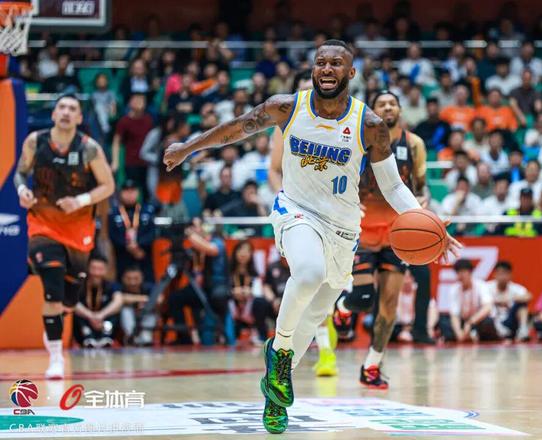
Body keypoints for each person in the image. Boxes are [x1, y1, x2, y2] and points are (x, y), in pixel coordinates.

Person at [163, 39, 461, 433]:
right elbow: (237, 128)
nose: (327, 69)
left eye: (336, 63)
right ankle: (279, 357)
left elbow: (392, 186)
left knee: (317, 312)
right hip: (296, 210)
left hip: (343, 227)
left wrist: (427, 220)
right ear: (313, 69)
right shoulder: (287, 107)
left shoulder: (369, 124)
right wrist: (189, 147)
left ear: (350, 73)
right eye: (321, 62)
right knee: (307, 273)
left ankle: (275, 388)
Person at [333, 90, 432, 389]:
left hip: (397, 235)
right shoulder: (357, 140)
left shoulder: (414, 144)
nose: (388, 107)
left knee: (389, 307)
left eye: (392, 103)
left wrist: (422, 203)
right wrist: (347, 201)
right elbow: (339, 179)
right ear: (372, 111)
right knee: (364, 299)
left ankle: (372, 366)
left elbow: (421, 187)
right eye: (381, 104)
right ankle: (343, 308)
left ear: (400, 109)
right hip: (361, 231)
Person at [14, 94, 115, 378]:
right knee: (52, 288)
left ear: (80, 118)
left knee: (69, 300)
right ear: (54, 114)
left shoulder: (89, 148)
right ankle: (56, 357)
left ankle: (55, 325)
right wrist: (22, 191)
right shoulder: (35, 141)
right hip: (43, 225)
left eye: (72, 108)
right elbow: (20, 173)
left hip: (78, 230)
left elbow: (108, 185)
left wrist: (80, 200)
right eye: (62, 107)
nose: (66, 112)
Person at [266, 73, 340, 378]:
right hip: (299, 214)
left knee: (327, 292)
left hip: (337, 216)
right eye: (304, 90)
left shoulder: (342, 122)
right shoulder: (287, 120)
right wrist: (285, 199)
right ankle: (305, 350)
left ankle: (292, 361)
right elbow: (274, 170)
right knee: (310, 278)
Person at [108, 179, 157, 282]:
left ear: (138, 192)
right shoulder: (114, 212)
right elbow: (112, 234)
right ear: (120, 193)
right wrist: (129, 246)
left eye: (133, 191)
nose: (129, 194)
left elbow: (152, 233)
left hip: (143, 255)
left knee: (147, 283)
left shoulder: (147, 210)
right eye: (126, 191)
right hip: (122, 256)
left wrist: (138, 244)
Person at [439, 259, 498, 342]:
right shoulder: (454, 289)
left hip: (477, 321)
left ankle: (475, 335)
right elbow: (454, 314)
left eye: (463, 272)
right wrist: (458, 332)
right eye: (458, 272)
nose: (461, 275)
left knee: (488, 322)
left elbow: (487, 307)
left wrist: (470, 322)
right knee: (443, 320)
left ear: (470, 272)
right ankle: (465, 336)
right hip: (463, 321)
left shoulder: (481, 285)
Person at [73, 255, 123, 348]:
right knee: (73, 310)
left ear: (106, 270)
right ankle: (88, 336)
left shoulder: (111, 285)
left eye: (100, 269)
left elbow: (118, 301)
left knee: (116, 311)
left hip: (104, 321)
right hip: (85, 322)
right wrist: (90, 316)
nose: (96, 273)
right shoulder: (80, 285)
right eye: (93, 268)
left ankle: (106, 337)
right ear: (87, 269)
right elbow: (73, 302)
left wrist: (101, 315)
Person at [486, 261, 531, 341]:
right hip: (493, 321)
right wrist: (496, 301)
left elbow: (528, 296)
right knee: (486, 307)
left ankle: (523, 330)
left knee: (522, 305)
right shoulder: (487, 287)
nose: (502, 277)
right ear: (494, 275)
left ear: (510, 275)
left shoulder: (515, 288)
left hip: (509, 321)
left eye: (505, 274)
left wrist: (510, 298)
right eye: (500, 274)